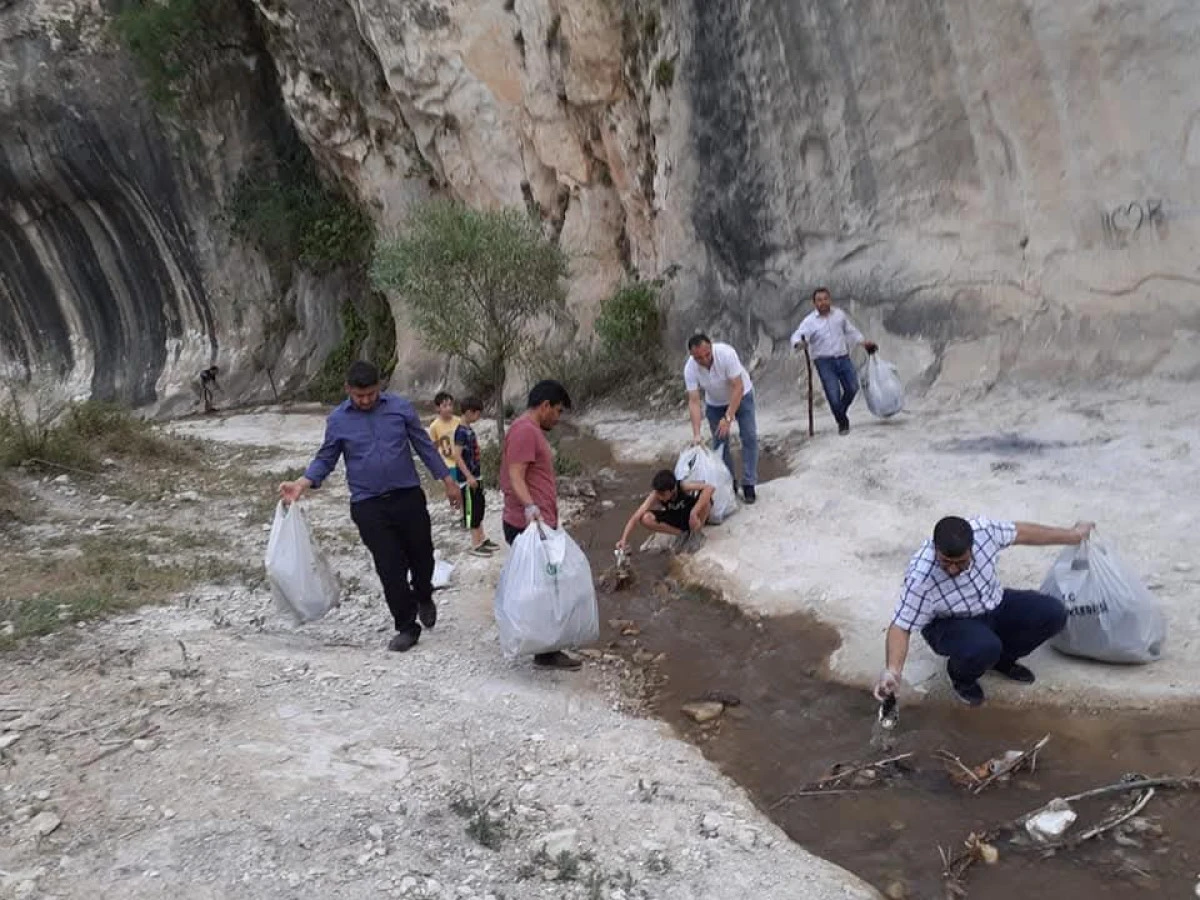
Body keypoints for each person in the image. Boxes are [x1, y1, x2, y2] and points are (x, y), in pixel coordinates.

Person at [278, 361, 463, 653]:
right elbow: (326, 458)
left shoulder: (400, 408)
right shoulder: (338, 420)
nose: (365, 401)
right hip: (368, 504)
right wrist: (303, 483)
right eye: (359, 396)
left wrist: (448, 480)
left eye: (371, 394)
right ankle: (406, 626)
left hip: (407, 496)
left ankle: (423, 594)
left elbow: (424, 447)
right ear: (348, 390)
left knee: (423, 556)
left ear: (380, 387)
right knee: (389, 567)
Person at [874, 516, 1095, 707]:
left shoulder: (984, 532)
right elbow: (901, 626)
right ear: (935, 550)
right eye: (945, 562)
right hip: (949, 623)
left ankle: (1001, 660)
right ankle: (961, 677)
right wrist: (892, 671)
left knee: (1053, 613)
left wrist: (1072, 535)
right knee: (984, 646)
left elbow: (1023, 533)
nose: (952, 569)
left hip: (993, 603)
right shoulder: (920, 577)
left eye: (960, 562)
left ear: (972, 548)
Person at [499, 379, 579, 671]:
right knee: (547, 586)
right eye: (557, 411)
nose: (557, 418)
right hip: (528, 524)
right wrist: (531, 507)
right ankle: (545, 651)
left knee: (545, 584)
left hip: (535, 522)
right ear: (545, 406)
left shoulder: (528, 430)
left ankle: (542, 645)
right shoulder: (525, 431)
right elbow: (516, 474)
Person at [790, 288, 877, 435]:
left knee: (853, 388)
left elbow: (850, 331)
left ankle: (840, 412)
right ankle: (842, 422)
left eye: (825, 299)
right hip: (824, 362)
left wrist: (864, 342)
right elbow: (797, 335)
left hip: (843, 357)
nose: (823, 302)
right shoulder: (810, 321)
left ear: (830, 300)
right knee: (833, 394)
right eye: (819, 300)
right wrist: (799, 343)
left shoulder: (839, 315)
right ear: (814, 303)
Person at [684, 334, 758, 504]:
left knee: (749, 437)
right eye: (698, 358)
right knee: (720, 444)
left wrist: (729, 417)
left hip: (742, 396)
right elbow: (694, 400)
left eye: (707, 355)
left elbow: (737, 386)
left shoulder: (726, 353)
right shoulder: (690, 368)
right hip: (715, 404)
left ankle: (749, 483)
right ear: (692, 356)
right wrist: (696, 434)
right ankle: (729, 482)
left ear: (711, 347)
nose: (704, 360)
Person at [615, 469, 715, 554]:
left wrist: (694, 512)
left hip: (692, 516)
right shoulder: (656, 494)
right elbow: (636, 517)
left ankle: (696, 533)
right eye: (658, 493)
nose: (659, 496)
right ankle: (682, 534)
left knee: (707, 501)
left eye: (662, 494)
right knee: (645, 518)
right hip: (676, 518)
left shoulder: (683, 486)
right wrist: (624, 539)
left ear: (672, 489)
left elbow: (709, 488)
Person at [452, 396, 496, 557]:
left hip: (477, 476)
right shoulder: (460, 432)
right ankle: (475, 544)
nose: (479, 417)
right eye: (478, 413)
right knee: (472, 511)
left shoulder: (469, 430)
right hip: (468, 478)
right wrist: (468, 476)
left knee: (479, 507)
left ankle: (482, 539)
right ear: (469, 412)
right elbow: (457, 456)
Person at [428, 391, 462, 483]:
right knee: (453, 490)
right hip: (447, 464)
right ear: (438, 408)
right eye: (445, 406)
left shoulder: (459, 421)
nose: (449, 408)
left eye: (450, 405)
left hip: (462, 462)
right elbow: (433, 448)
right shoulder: (434, 426)